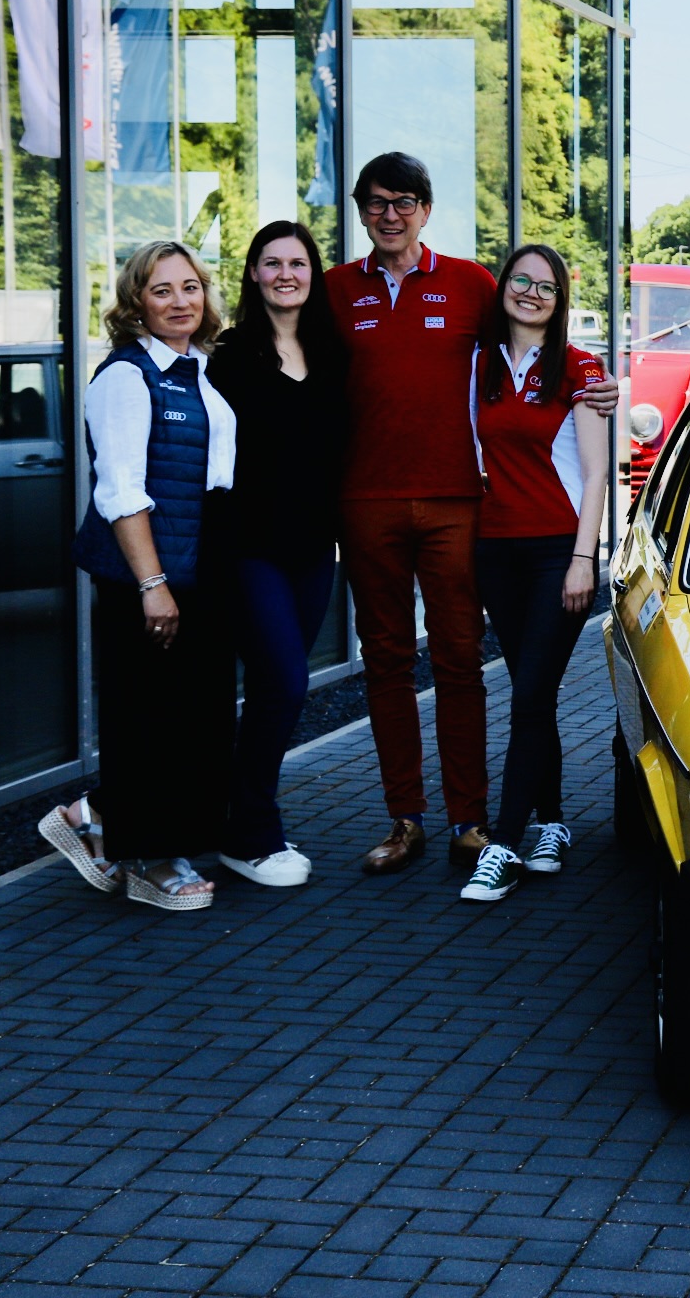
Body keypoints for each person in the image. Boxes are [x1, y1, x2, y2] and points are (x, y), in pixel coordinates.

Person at [327, 154, 620, 876]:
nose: (389, 214)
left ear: (426, 209)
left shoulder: (471, 284)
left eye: (404, 201)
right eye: (376, 202)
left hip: (461, 505)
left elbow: (536, 333)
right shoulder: (334, 291)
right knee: (388, 665)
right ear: (362, 209)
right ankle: (405, 820)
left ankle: (471, 820)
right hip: (366, 502)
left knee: (460, 662)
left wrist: (594, 379)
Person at [38, 241, 237, 913]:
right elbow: (120, 490)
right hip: (145, 583)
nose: (180, 302)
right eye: (162, 291)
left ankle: (90, 817)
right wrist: (153, 584)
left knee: (188, 721)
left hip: (198, 576)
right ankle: (150, 862)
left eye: (190, 288)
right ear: (135, 304)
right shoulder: (125, 378)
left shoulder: (197, 368)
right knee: (148, 722)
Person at [457, 242, 612, 902]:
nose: (530, 292)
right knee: (534, 695)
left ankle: (503, 844)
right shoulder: (479, 364)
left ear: (560, 300)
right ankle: (553, 823)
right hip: (496, 553)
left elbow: (599, 473)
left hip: (559, 557)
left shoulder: (581, 369)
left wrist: (585, 559)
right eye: (520, 280)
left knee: (527, 699)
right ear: (503, 289)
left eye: (545, 286)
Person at [207, 222, 348, 889]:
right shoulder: (230, 356)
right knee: (285, 683)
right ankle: (251, 834)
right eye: (272, 263)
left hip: (314, 549)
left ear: (313, 274)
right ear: (254, 275)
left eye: (297, 262)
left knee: (275, 690)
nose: (286, 273)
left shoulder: (334, 351)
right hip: (249, 548)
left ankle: (236, 819)